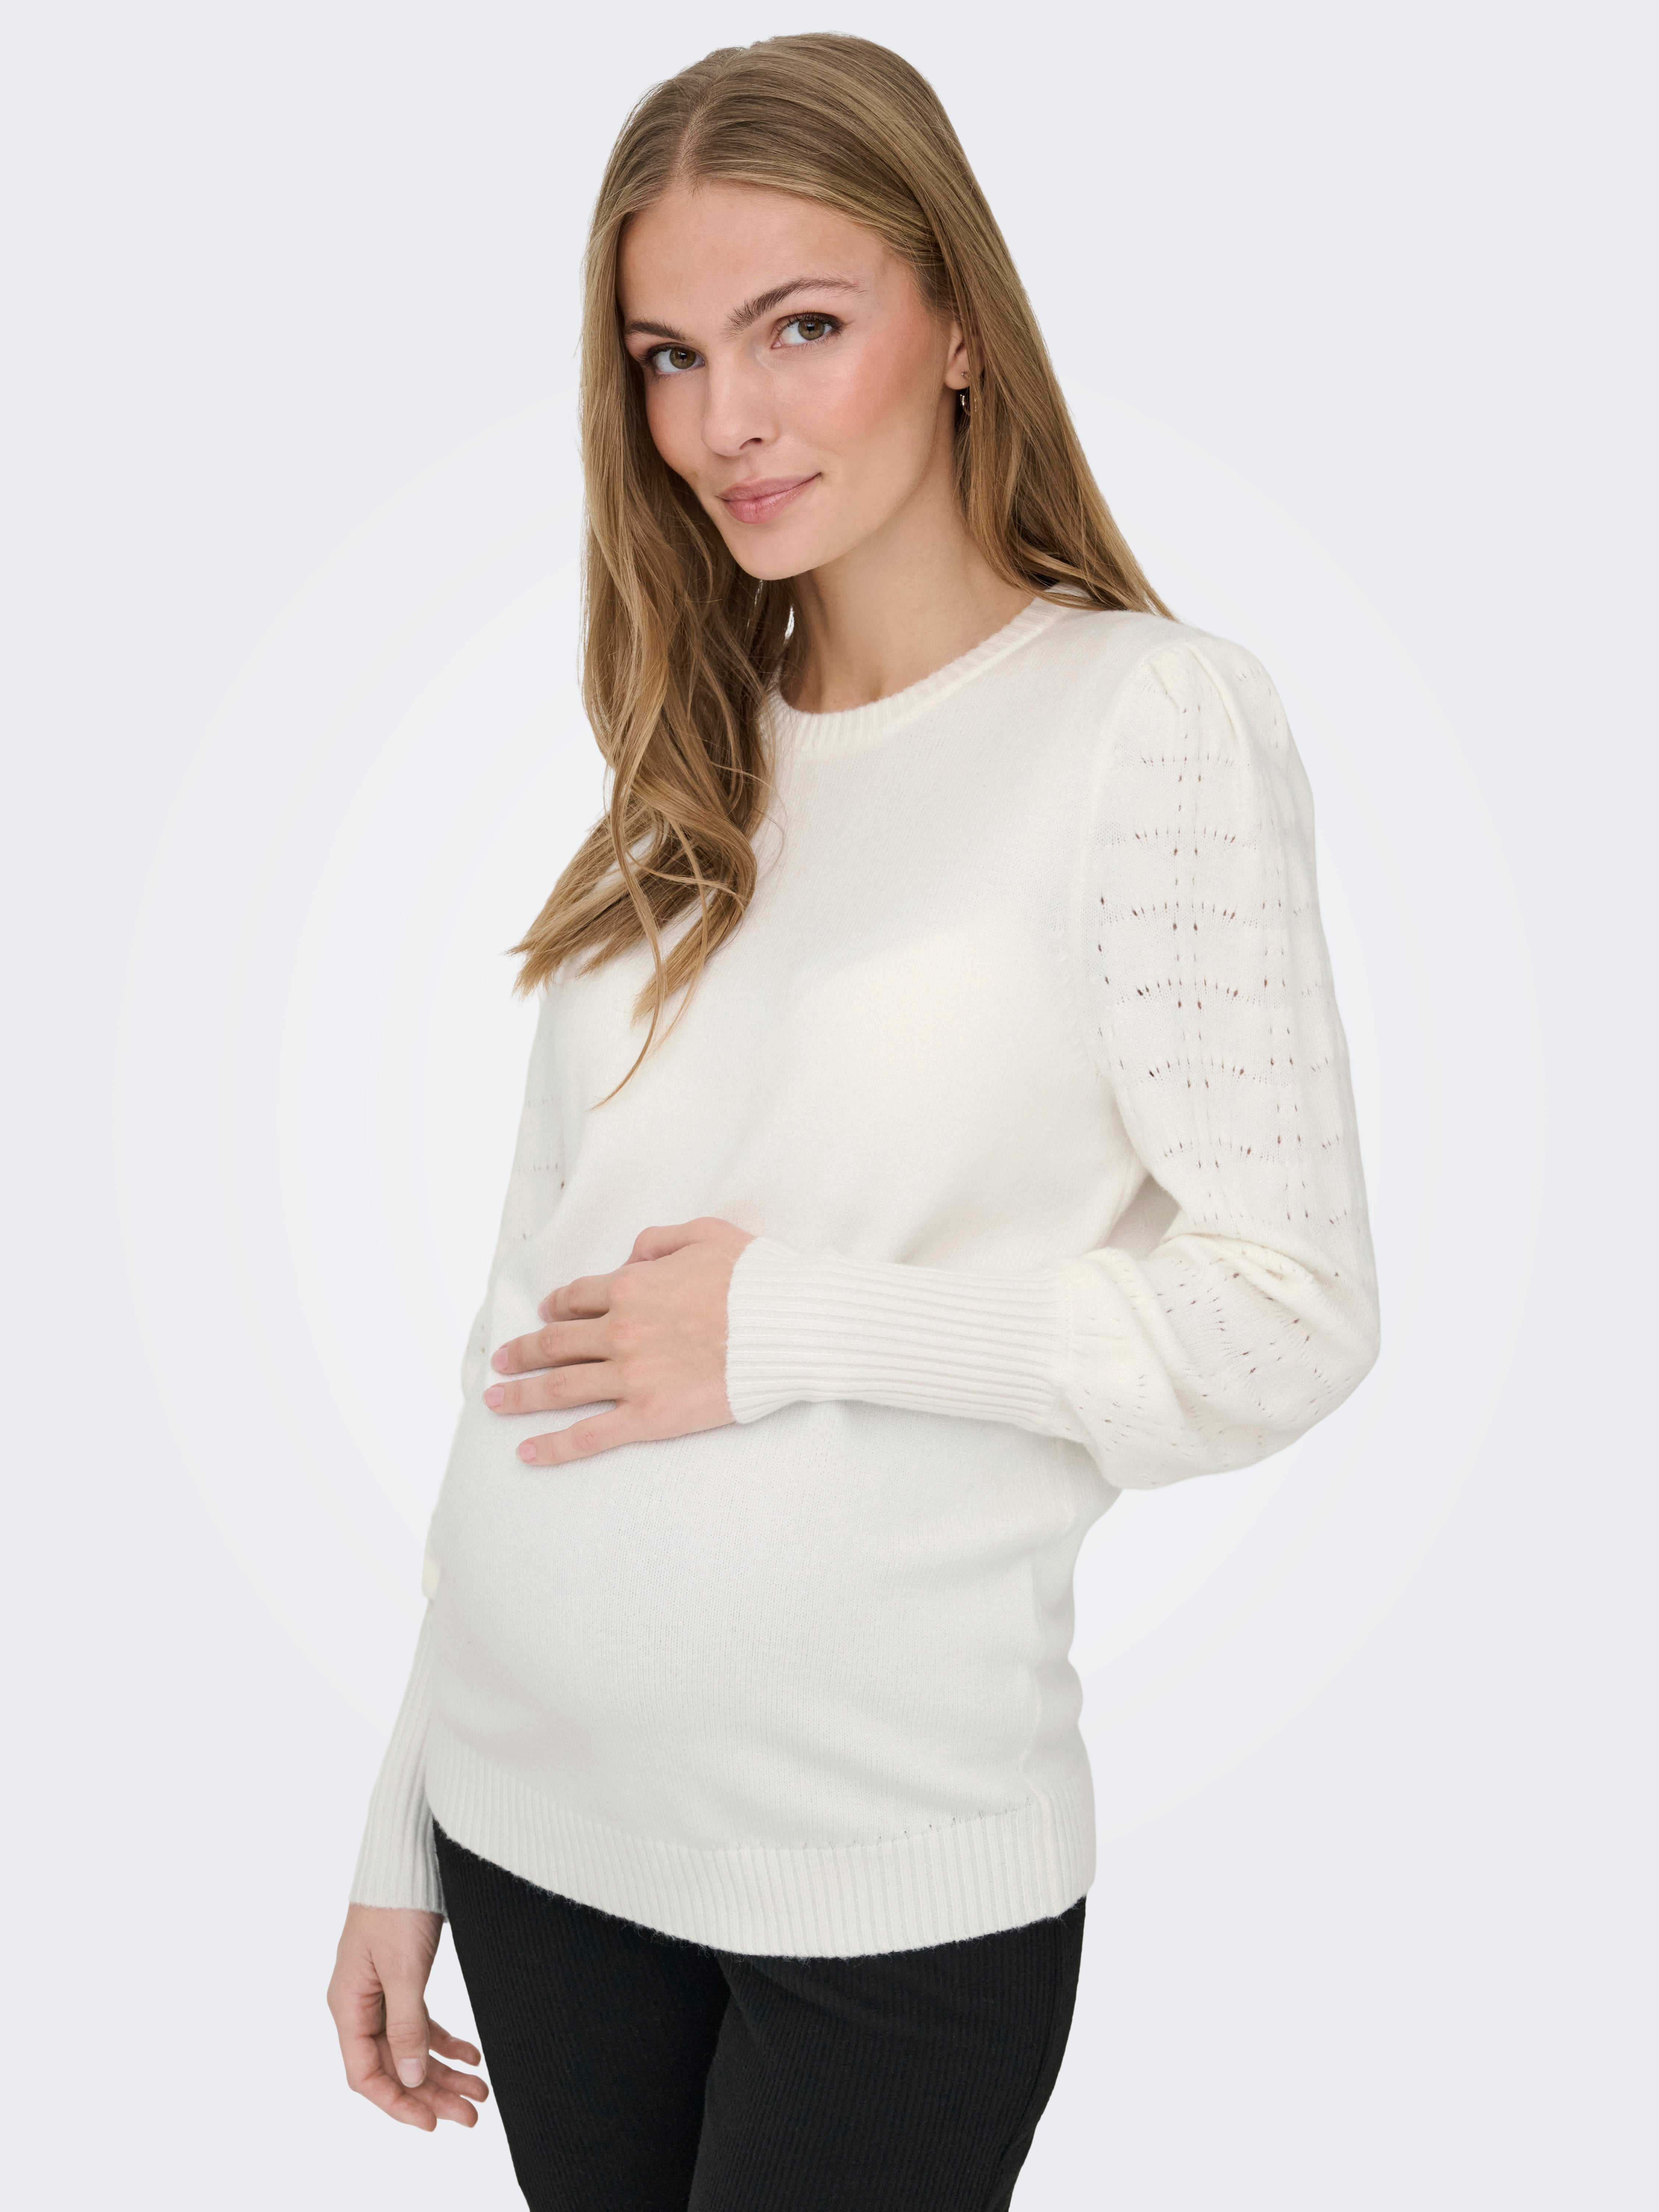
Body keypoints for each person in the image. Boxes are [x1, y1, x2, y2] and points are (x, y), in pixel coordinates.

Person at [325, 31, 1381, 2211]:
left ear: (959, 323)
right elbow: (528, 1322)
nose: (727, 417)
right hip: (532, 1826)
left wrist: (794, 1327)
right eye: (669, 355)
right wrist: (399, 1819)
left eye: (799, 327)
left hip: (881, 1873)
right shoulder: (686, 763)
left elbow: (1287, 1315)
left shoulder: (1147, 722)